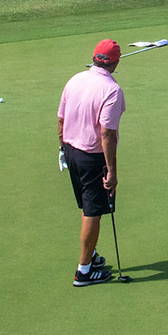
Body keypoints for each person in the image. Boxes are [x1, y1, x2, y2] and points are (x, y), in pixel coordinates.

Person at [59, 39, 126, 287]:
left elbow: (61, 118)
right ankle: (84, 271)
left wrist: (62, 148)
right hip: (92, 157)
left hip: (71, 151)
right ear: (115, 63)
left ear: (94, 58)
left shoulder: (75, 79)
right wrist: (112, 172)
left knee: (88, 207)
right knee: (93, 212)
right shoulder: (112, 90)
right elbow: (107, 134)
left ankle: (92, 255)